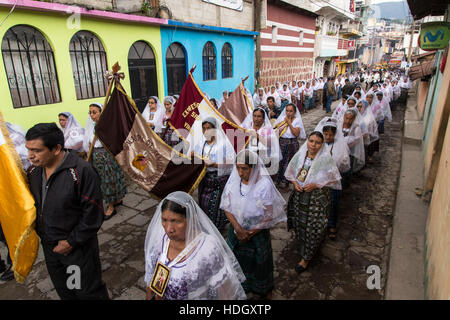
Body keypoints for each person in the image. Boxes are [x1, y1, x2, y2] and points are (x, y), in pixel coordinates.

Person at [25, 123, 109, 299]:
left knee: (86, 293)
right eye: (28, 149)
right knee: (65, 292)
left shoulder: (81, 172)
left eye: (37, 150)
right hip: (50, 248)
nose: (30, 156)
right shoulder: (33, 171)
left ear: (56, 149)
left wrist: (71, 242)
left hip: (76, 250)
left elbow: (93, 214)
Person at [144, 191, 246, 300]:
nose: (169, 229)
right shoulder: (160, 238)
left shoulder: (207, 249)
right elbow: (151, 278)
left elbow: (225, 291)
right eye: (164, 220)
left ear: (192, 218)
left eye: (176, 221)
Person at [220, 149, 287, 299]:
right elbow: (227, 208)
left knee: (260, 263)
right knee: (236, 259)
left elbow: (268, 214)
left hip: (257, 230)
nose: (240, 172)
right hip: (236, 228)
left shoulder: (263, 185)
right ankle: (240, 286)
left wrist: (250, 233)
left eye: (244, 168)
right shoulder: (234, 182)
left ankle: (262, 288)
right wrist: (238, 228)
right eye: (237, 167)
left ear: (254, 167)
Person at [285, 131, 341, 273]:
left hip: (316, 199)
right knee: (300, 224)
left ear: (321, 145)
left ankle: (306, 258)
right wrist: (294, 182)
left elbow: (334, 178)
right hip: (300, 197)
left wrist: (316, 184)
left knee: (313, 227)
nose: (313, 145)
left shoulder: (325, 159)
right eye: (311, 141)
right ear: (307, 141)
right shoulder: (301, 155)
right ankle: (303, 247)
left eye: (317, 142)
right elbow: (290, 171)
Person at [83, 102, 126, 220]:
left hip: (107, 156)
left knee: (110, 180)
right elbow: (88, 142)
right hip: (97, 157)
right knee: (101, 180)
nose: (92, 115)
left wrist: (101, 133)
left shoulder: (108, 125)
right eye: (90, 112)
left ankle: (111, 206)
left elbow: (114, 140)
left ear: (101, 113)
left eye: (94, 112)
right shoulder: (91, 126)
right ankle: (116, 200)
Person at [192, 117, 233, 233]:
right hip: (205, 180)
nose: (206, 131)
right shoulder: (202, 143)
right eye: (204, 129)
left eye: (209, 128)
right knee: (204, 203)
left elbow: (231, 162)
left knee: (215, 204)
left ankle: (217, 227)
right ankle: (206, 226)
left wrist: (214, 164)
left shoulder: (224, 143)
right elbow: (195, 155)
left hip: (218, 180)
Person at [315, 117, 350, 239]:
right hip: (319, 178)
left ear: (335, 134)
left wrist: (336, 165)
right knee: (319, 202)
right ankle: (319, 223)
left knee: (333, 203)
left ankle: (332, 225)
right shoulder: (318, 144)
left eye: (330, 135)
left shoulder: (340, 146)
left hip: (332, 179)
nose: (328, 137)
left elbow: (345, 162)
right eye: (326, 134)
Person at [273, 103, 306, 189]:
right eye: (287, 111)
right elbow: (275, 130)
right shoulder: (281, 119)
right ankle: (278, 180)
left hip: (292, 144)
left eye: (291, 111)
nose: (288, 113)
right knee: (280, 162)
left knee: (289, 163)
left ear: (294, 112)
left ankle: (287, 182)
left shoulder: (297, 120)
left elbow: (296, 133)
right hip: (282, 143)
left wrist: (289, 123)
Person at [339, 108, 365, 177]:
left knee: (348, 164)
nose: (348, 121)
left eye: (350, 119)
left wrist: (347, 147)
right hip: (340, 150)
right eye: (346, 118)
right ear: (344, 117)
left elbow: (357, 139)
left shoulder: (356, 127)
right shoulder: (339, 125)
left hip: (350, 150)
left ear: (354, 119)